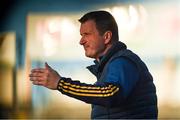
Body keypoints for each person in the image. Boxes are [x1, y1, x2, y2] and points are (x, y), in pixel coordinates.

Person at [29, 11, 158, 119]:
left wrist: (60, 83)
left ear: (107, 37)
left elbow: (109, 94)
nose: (81, 41)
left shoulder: (123, 61)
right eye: (81, 35)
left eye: (87, 34)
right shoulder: (111, 65)